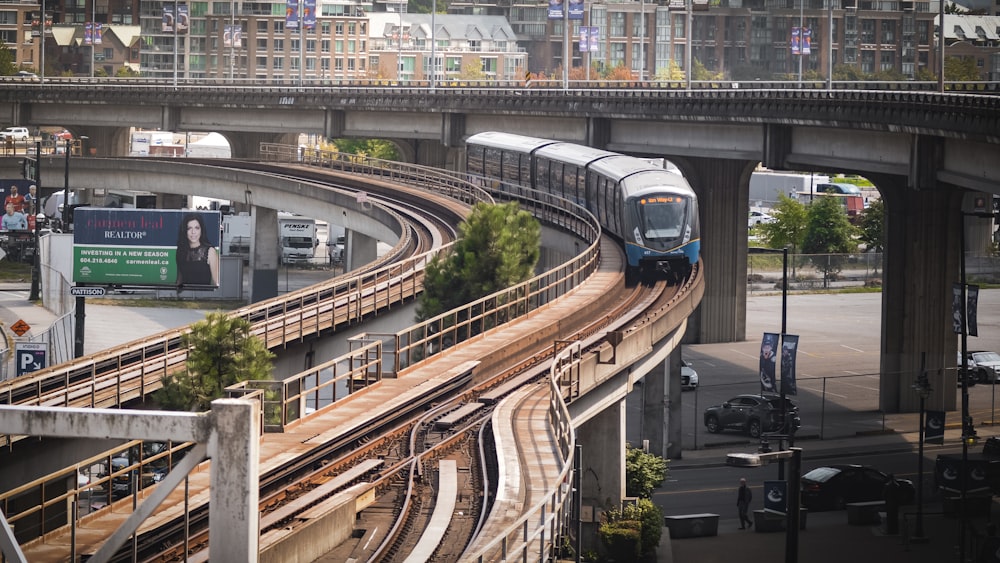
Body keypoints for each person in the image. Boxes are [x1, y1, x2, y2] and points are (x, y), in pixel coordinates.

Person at [175, 213, 220, 286]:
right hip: (185, 295)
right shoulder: (181, 250)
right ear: (185, 231)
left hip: (204, 295)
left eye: (197, 228)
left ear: (201, 230)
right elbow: (179, 280)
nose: (193, 232)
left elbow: (216, 282)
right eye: (189, 228)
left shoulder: (210, 251)